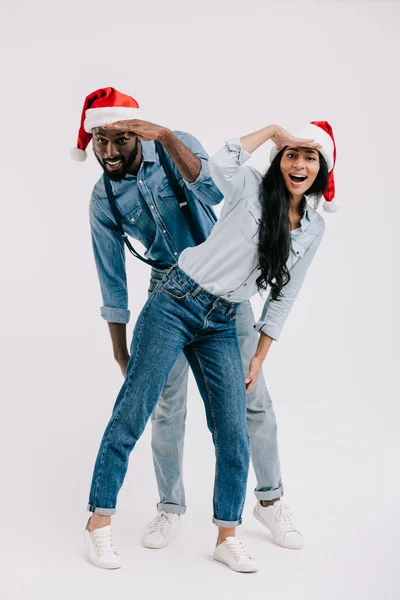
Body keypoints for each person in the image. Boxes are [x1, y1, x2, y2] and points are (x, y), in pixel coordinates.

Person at [73, 90, 337, 571]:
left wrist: (260, 354)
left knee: (236, 422)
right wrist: (120, 352)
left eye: (121, 138)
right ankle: (112, 521)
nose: (109, 150)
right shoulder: (107, 197)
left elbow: (282, 291)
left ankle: (236, 527)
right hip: (174, 296)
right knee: (144, 409)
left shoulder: (306, 224)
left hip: (227, 310)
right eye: (101, 140)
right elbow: (111, 278)